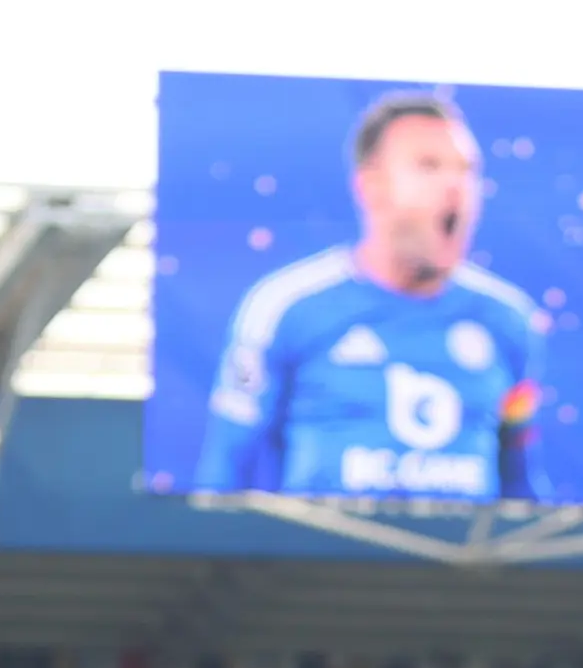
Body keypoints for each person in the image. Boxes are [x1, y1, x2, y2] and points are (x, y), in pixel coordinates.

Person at [196, 88, 549, 502]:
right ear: (372, 186)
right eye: (429, 166)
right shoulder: (285, 307)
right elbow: (224, 473)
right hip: (322, 562)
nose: (456, 186)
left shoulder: (510, 320)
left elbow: (520, 479)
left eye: (467, 170)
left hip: (464, 564)